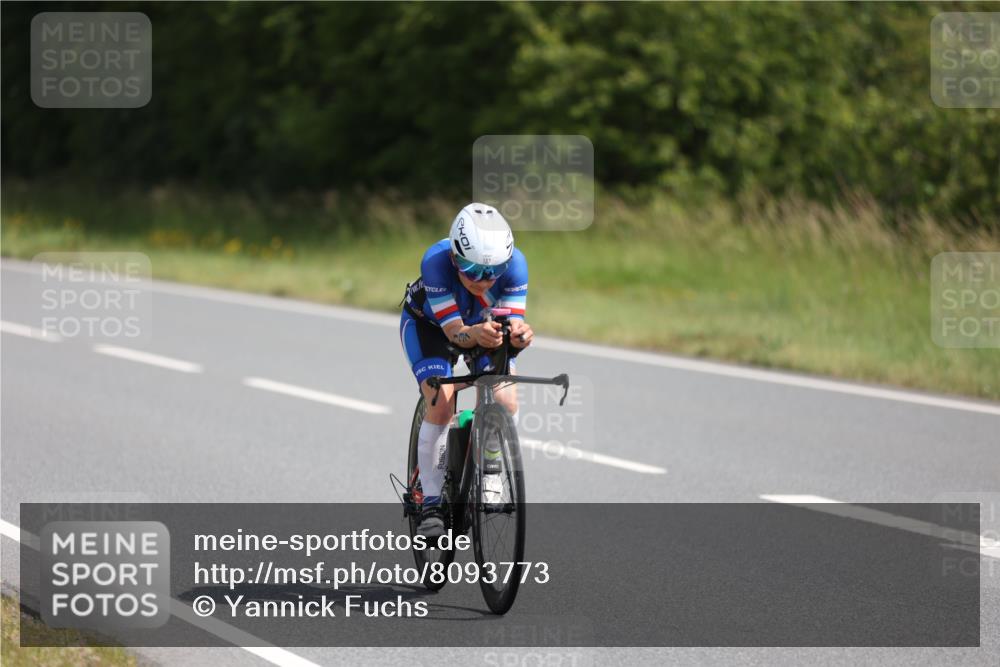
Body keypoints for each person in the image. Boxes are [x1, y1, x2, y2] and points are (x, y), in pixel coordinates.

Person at [399, 203, 533, 539]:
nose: (483, 280)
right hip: (431, 328)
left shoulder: (516, 265)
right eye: (472, 268)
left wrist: (519, 335)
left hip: (482, 328)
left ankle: (490, 474)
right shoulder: (436, 262)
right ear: (455, 257)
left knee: (506, 400)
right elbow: (454, 333)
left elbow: (511, 322)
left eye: (494, 270)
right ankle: (431, 503)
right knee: (441, 400)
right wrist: (476, 334)